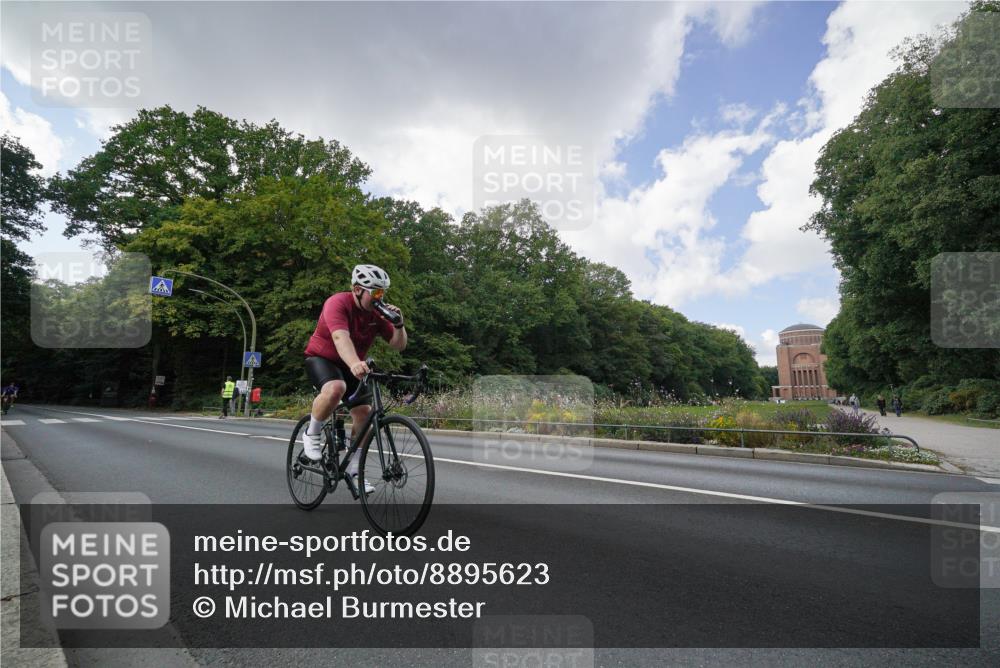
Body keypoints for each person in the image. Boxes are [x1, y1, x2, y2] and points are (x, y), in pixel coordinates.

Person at [302, 264, 407, 494]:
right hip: (322, 358)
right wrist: (353, 364)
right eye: (376, 292)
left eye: (383, 292)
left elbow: (398, 345)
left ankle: (353, 468)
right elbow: (340, 338)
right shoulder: (337, 303)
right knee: (335, 387)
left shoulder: (376, 315)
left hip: (353, 364)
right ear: (358, 289)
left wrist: (399, 324)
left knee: (365, 413)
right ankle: (312, 432)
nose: (380, 297)